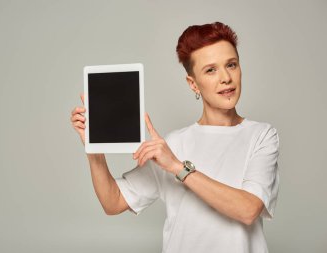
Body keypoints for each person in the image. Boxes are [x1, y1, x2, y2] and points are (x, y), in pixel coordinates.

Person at [71, 22, 280, 253]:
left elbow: (248, 209)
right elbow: (113, 202)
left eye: (231, 65)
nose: (226, 78)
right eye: (211, 70)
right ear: (193, 84)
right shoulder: (173, 145)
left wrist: (178, 168)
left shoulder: (261, 135)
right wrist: (93, 148)